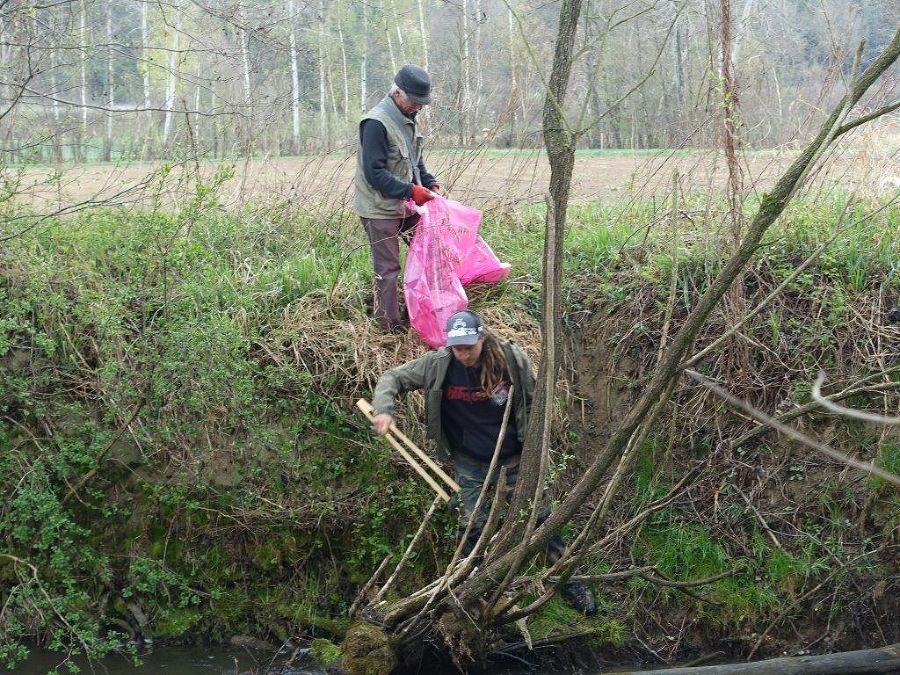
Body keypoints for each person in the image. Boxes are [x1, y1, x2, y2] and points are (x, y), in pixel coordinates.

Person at [370, 310, 597, 615]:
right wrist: (383, 409)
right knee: (472, 526)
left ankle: (571, 581)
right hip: (470, 461)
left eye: (469, 347)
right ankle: (471, 588)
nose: (463, 354)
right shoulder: (439, 364)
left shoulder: (510, 361)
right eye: (457, 348)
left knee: (541, 519)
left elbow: (534, 399)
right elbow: (392, 378)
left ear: (482, 338)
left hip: (515, 456)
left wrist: (534, 446)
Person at [353, 64, 442, 332]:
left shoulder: (408, 118)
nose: (419, 107)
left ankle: (427, 311)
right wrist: (410, 191)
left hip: (406, 205)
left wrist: (429, 182)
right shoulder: (375, 123)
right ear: (398, 92)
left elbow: (415, 162)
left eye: (422, 103)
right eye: (415, 102)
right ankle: (388, 327)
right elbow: (374, 173)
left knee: (429, 253)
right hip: (379, 209)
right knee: (388, 269)